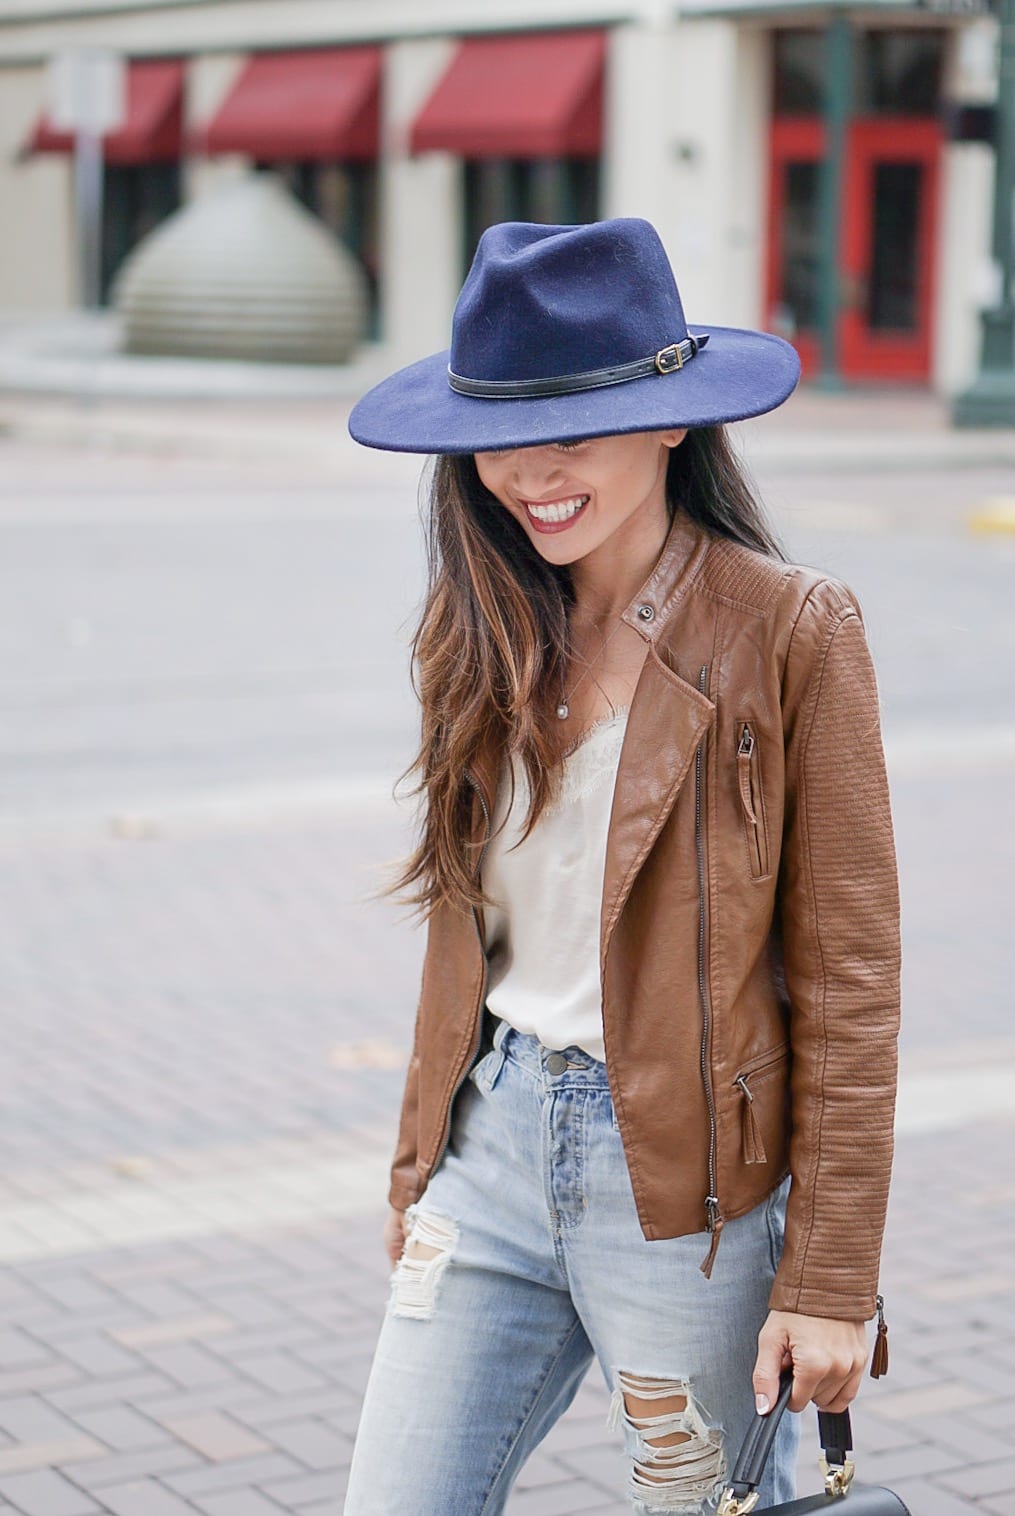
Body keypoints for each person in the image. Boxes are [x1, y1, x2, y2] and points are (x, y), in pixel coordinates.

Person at [342, 218, 900, 1516]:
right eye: (502, 432)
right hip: (492, 1151)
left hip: (691, 1198)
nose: (530, 474)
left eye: (574, 427)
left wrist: (827, 1277)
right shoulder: (477, 623)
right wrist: (420, 1160)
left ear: (668, 423)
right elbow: (465, 933)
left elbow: (851, 979)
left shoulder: (791, 632)